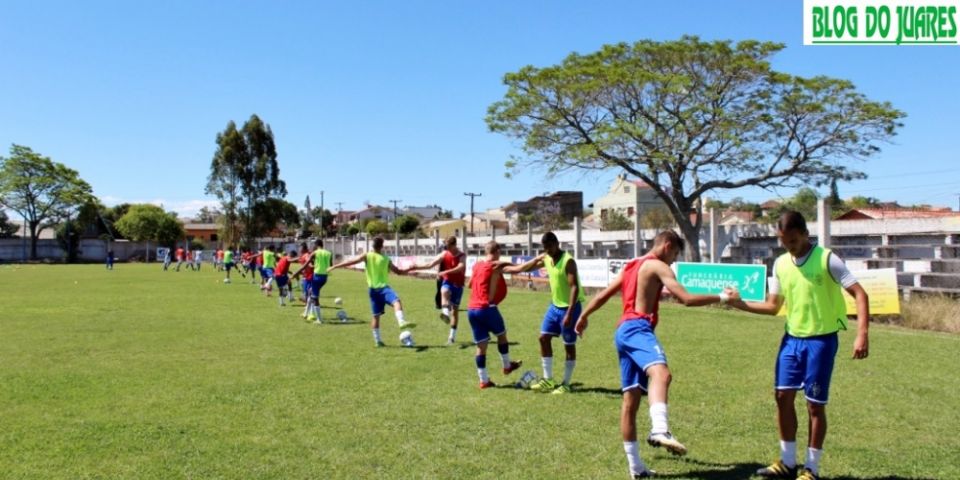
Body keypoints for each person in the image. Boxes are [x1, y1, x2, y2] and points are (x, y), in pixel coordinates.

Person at [574, 231, 738, 479]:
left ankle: (636, 468)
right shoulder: (658, 266)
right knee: (662, 373)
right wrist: (723, 297)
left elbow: (602, 294)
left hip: (622, 332)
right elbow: (686, 299)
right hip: (637, 327)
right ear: (668, 246)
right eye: (674, 255)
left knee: (630, 402)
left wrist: (583, 316)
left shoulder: (632, 265)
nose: (672, 262)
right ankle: (660, 429)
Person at [727, 211, 870, 480]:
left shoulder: (827, 259)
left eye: (792, 240)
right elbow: (773, 306)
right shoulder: (780, 263)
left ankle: (812, 469)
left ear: (805, 233)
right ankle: (787, 462)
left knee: (814, 406)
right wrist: (739, 302)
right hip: (791, 340)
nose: (788, 246)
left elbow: (860, 294)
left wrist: (862, 333)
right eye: (783, 241)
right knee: (782, 397)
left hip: (821, 341)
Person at [511, 232, 583, 394]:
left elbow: (574, 287)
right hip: (554, 307)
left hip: (570, 308)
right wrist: (510, 269)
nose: (548, 250)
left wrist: (570, 313)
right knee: (543, 338)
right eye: (545, 248)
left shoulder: (568, 261)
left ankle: (566, 383)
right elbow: (528, 267)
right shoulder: (547, 258)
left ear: (557, 243)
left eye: (550, 246)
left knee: (569, 346)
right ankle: (548, 380)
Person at [329, 236, 414, 347]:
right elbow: (398, 271)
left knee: (375, 316)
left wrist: (336, 265)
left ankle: (377, 341)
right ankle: (401, 322)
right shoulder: (386, 259)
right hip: (384, 289)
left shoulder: (367, 256)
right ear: (382, 246)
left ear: (372, 245)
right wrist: (410, 269)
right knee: (396, 302)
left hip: (373, 291)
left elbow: (351, 261)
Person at [465, 241, 524, 389]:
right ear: (497, 251)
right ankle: (506, 365)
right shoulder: (496, 265)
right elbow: (516, 269)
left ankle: (483, 380)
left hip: (472, 309)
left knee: (481, 346)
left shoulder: (477, 265)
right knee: (502, 336)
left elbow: (470, 284)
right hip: (487, 307)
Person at [405, 236, 466, 344]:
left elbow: (460, 267)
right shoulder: (444, 254)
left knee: (455, 312)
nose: (446, 249)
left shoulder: (462, 255)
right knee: (444, 290)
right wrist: (416, 267)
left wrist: (446, 272)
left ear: (453, 245)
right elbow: (430, 264)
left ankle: (452, 337)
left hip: (458, 285)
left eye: (448, 246)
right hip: (448, 281)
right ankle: (445, 312)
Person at [292, 240, 333, 323]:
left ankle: (319, 319)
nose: (313, 247)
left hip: (317, 276)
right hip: (325, 277)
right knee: (311, 292)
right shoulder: (329, 253)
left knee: (315, 298)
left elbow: (305, 265)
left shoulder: (315, 253)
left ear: (316, 245)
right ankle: (306, 313)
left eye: (314, 245)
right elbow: (331, 265)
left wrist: (296, 273)